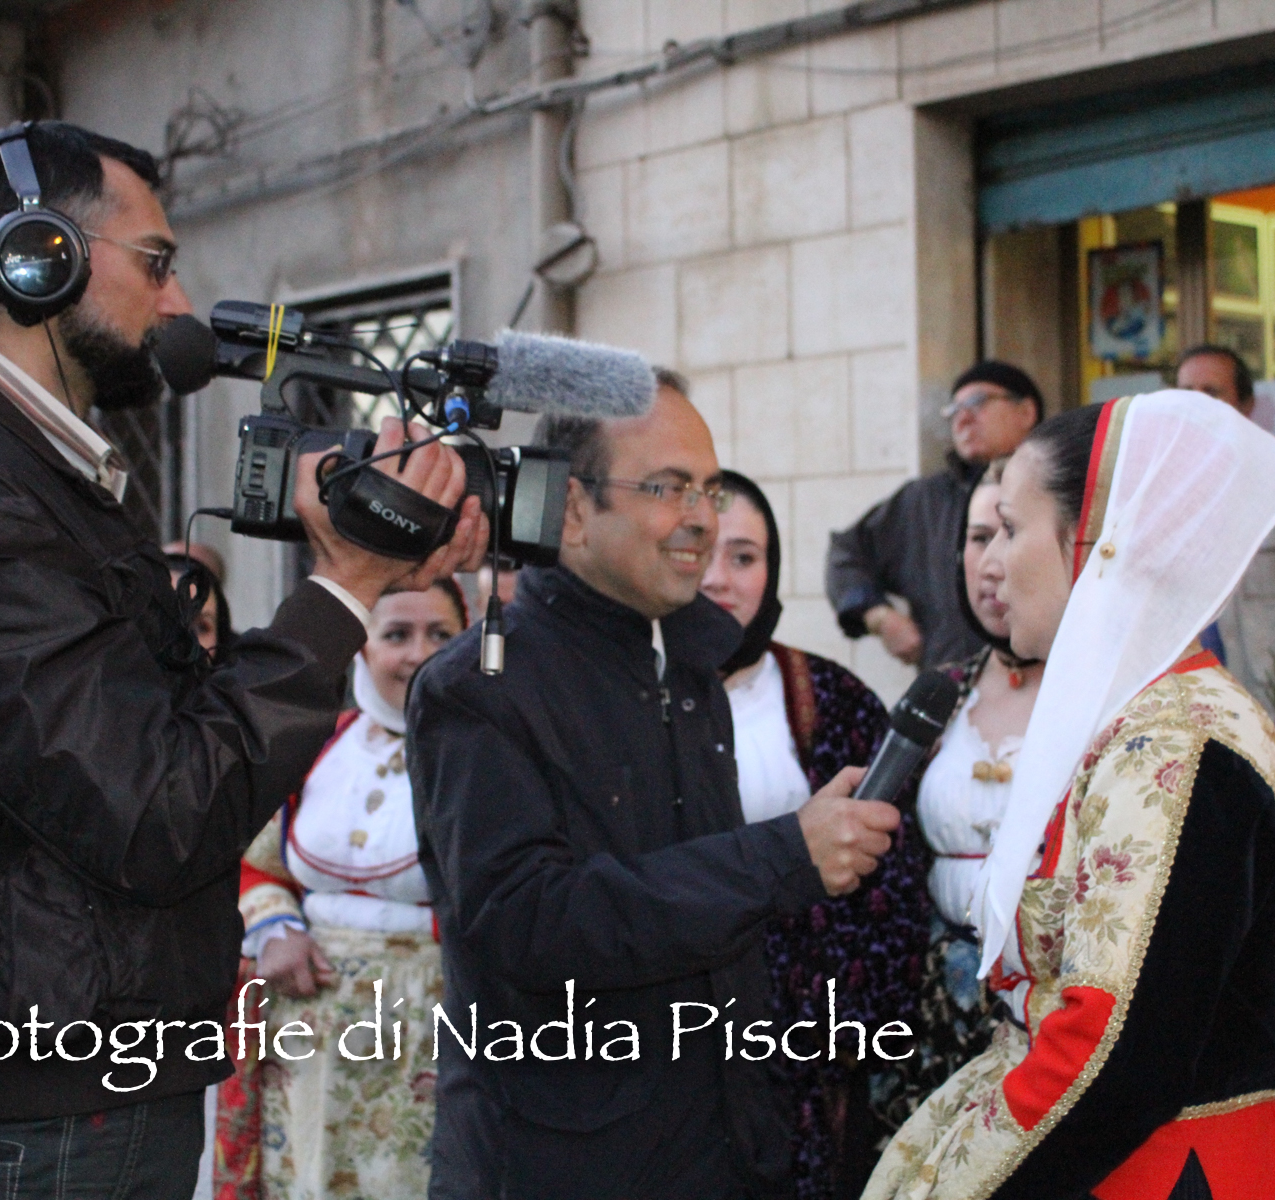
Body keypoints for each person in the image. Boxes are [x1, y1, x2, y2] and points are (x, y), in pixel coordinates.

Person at [0, 120, 484, 1200]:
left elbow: (163, 739)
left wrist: (365, 568)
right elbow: (157, 809)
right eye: (157, 263)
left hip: (98, 1084)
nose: (179, 302)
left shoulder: (35, 475)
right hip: (53, 1112)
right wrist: (344, 587)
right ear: (37, 259)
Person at [409, 371, 904, 1200]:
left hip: (724, 1156)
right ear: (572, 508)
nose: (701, 518)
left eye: (710, 489)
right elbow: (529, 925)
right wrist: (785, 856)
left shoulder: (691, 665)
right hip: (557, 1169)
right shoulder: (479, 686)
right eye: (668, 488)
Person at [865, 392, 1275, 1200]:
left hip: (1156, 1173)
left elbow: (1117, 1050)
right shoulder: (1120, 717)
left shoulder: (1178, 741)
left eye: (1012, 529)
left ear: (1098, 543)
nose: (991, 564)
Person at [700, 470, 930, 1200]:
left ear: (771, 572)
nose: (719, 578)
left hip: (803, 1049)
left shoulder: (832, 698)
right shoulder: (619, 699)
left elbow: (892, 878)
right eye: (700, 549)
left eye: (744, 556)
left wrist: (839, 1028)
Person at [217, 580, 467, 1200]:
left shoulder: (488, 757)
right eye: (397, 635)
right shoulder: (322, 746)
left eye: (440, 635)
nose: (418, 654)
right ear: (362, 648)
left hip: (433, 1029)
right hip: (309, 1033)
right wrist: (276, 929)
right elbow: (254, 865)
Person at [871, 459, 1044, 1134]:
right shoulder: (942, 692)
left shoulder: (1105, 704)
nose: (992, 561)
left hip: (1053, 1013)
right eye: (977, 538)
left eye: (1011, 532)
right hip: (938, 1011)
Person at [826, 362, 1043, 670]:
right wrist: (880, 617)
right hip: (953, 683)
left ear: (1026, 412)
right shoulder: (923, 502)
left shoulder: (1062, 489)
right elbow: (847, 553)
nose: (963, 419)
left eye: (978, 402)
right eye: (954, 410)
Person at [1175, 343, 1275, 707]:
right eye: (1186, 392)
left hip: (1272, 693)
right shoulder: (1159, 489)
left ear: (1246, 405)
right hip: (1183, 697)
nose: (1197, 403)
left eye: (1212, 392)